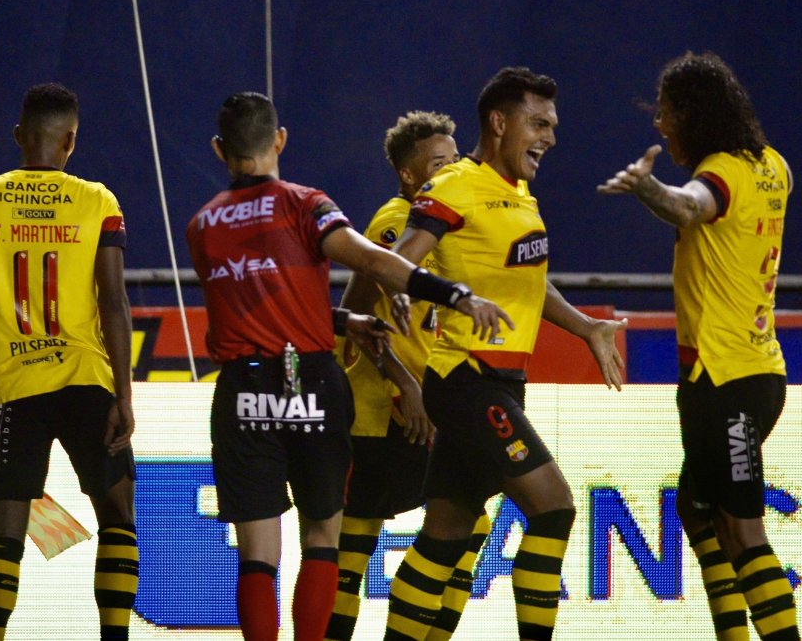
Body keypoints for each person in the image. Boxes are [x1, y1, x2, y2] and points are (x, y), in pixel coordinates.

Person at [187, 91, 504, 641]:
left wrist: (339, 319)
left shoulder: (203, 226)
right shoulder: (307, 203)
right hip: (311, 383)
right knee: (323, 541)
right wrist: (452, 295)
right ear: (279, 139)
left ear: (219, 150)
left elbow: (260, 302)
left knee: (257, 557)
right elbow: (377, 262)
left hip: (242, 390)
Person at [381, 67, 627, 641]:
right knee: (555, 507)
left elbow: (531, 284)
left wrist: (586, 327)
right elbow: (401, 257)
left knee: (445, 533)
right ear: (499, 122)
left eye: (552, 125)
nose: (550, 138)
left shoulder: (518, 195)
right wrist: (398, 287)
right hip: (466, 381)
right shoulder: (454, 186)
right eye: (538, 123)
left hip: (499, 384)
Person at [0, 83, 137, 641]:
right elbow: (114, 302)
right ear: (71, 140)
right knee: (117, 521)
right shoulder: (98, 201)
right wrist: (125, 396)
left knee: (3, 541)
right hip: (88, 381)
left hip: (11, 389)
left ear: (19, 137)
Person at [597, 51, 798, 641]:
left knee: (742, 531)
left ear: (694, 114)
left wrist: (647, 188)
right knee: (695, 507)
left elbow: (690, 205)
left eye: (665, 113)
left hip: (726, 379)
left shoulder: (722, 174)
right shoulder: (775, 167)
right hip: (757, 372)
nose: (660, 124)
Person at [326, 111, 491, 641]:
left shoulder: (446, 223)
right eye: (438, 163)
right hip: (381, 410)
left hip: (430, 406)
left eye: (455, 159)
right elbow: (357, 315)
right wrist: (405, 382)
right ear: (408, 175)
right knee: (352, 548)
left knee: (469, 524)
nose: (450, 169)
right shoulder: (396, 222)